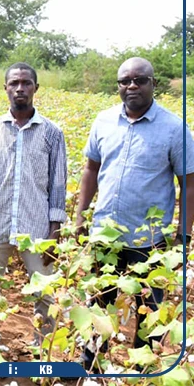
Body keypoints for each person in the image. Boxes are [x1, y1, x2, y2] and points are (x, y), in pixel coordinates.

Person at [76, 57, 194, 369]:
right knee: (98, 303)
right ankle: (91, 364)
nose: (132, 86)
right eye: (125, 81)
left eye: (140, 80)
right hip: (104, 235)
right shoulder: (104, 121)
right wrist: (80, 216)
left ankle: (142, 368)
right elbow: (90, 169)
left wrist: (183, 235)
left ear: (153, 84)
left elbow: (189, 184)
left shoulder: (174, 128)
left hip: (150, 241)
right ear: (118, 86)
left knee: (150, 309)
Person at [0, 62, 67, 362]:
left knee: (44, 292)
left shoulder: (52, 133)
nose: (20, 88)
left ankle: (43, 352)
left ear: (36, 88)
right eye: (14, 83)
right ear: (5, 88)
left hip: (37, 228)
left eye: (26, 83)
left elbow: (58, 185)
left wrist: (55, 232)